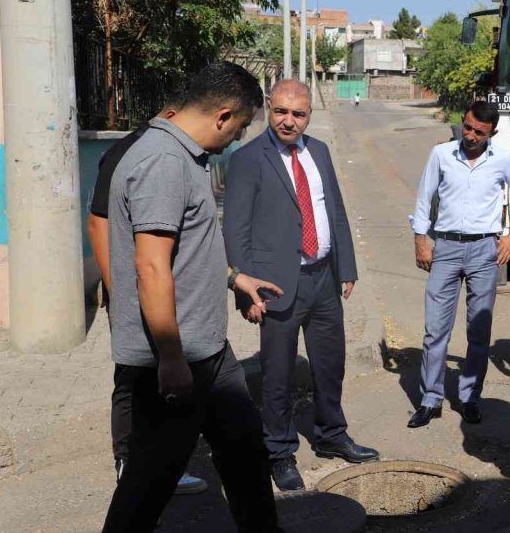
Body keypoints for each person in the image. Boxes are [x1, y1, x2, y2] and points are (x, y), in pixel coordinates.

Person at [101, 62, 282, 533]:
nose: (238, 139)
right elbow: (151, 266)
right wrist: (171, 358)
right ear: (222, 116)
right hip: (176, 356)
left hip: (208, 351)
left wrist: (233, 278)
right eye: (240, 128)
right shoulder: (163, 162)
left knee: (244, 451)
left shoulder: (180, 155)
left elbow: (183, 250)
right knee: (148, 482)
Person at [223, 79, 377, 492]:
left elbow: (336, 211)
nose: (289, 121)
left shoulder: (320, 152)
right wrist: (245, 291)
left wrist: (347, 266)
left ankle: (331, 434)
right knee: (277, 375)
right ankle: (279, 451)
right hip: (275, 285)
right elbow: (235, 231)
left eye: (298, 114)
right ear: (268, 110)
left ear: (309, 115)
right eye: (281, 112)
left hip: (324, 278)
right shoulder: (248, 159)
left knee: (331, 364)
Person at [87, 94, 209, 495]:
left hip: (162, 290)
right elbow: (98, 224)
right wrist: (121, 292)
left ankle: (164, 466)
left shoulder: (176, 155)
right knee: (132, 379)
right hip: (135, 288)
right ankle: (129, 466)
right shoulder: (133, 153)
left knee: (167, 379)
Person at [407, 100, 510, 428]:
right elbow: (424, 198)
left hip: (484, 250)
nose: (471, 135)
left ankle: (469, 397)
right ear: (463, 121)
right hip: (445, 247)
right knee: (435, 330)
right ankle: (430, 398)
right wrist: (421, 240)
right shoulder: (442, 155)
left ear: (492, 133)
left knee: (478, 331)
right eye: (468, 127)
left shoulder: (503, 159)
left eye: (480, 132)